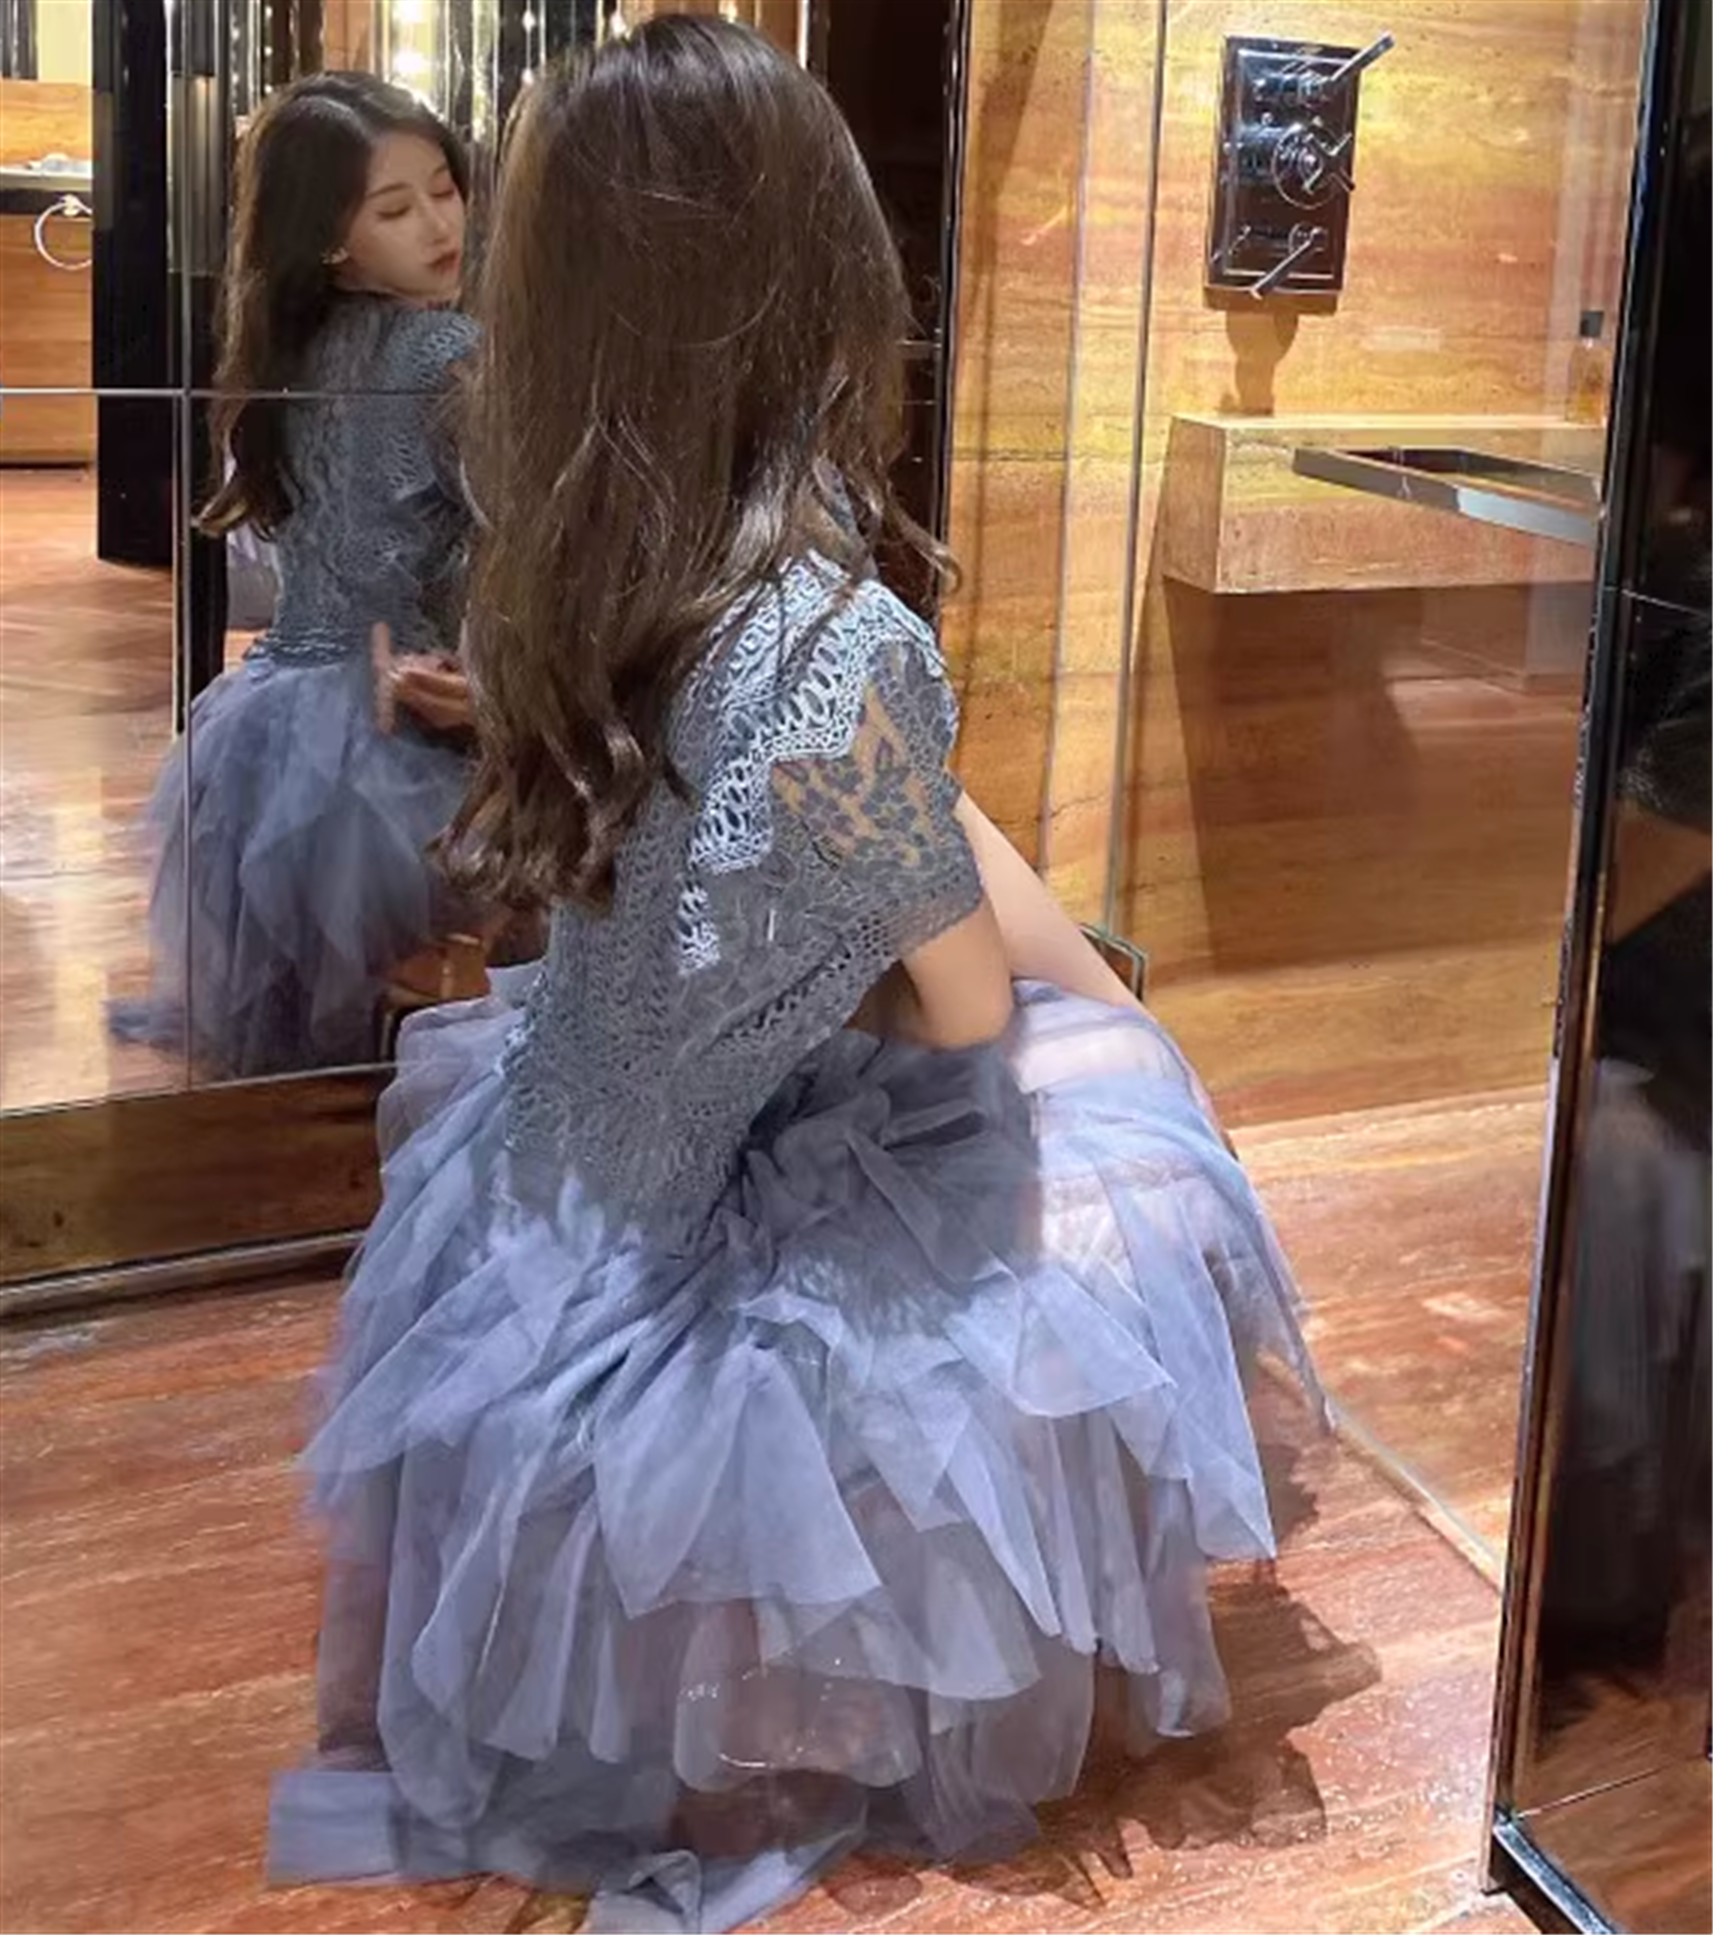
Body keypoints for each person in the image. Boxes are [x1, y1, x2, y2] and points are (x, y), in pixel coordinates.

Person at [268, 21, 1320, 1931]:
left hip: (562, 1178)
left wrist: (826, 913)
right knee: (1110, 1146)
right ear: (817, 282)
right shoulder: (835, 635)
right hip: (716, 1232)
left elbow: (826, 853)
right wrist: (974, 977)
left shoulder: (566, 557)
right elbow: (959, 1005)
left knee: (1071, 1037)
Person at [117, 72, 481, 1077]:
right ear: (329, 239)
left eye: (445, 190)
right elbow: (508, 528)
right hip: (392, 714)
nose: (439, 225)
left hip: (269, 721)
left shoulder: (288, 347)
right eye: (395, 210)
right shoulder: (447, 352)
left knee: (297, 1022)